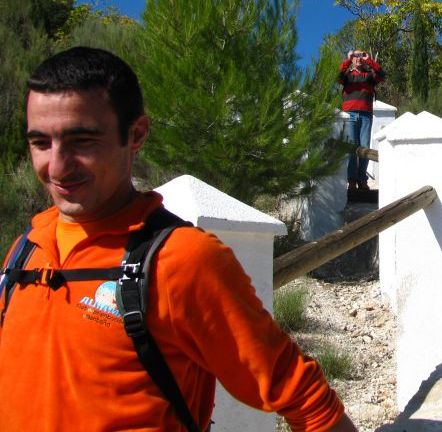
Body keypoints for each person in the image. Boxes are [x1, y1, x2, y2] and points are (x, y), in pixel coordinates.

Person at [0, 47, 358, 432]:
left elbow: (307, 402)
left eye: (82, 141)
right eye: (40, 143)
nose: (56, 167)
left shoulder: (182, 260)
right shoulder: (26, 248)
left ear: (136, 135)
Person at [338, 49, 385, 191]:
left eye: (360, 56)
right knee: (353, 147)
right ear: (351, 59)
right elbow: (338, 76)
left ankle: (362, 180)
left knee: (364, 147)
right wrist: (347, 60)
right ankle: (352, 180)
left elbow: (382, 75)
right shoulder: (347, 76)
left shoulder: (369, 76)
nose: (358, 58)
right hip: (350, 114)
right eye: (355, 56)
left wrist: (369, 60)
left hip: (366, 114)